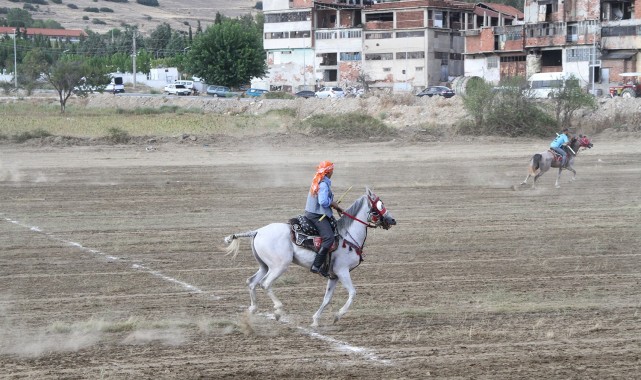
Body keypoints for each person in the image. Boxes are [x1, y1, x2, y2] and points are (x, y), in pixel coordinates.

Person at [304, 161, 343, 277]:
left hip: (313, 212)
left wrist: (335, 205)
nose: (333, 173)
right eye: (332, 171)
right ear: (329, 172)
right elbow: (323, 202)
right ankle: (317, 265)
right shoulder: (323, 185)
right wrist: (334, 204)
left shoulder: (318, 180)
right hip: (316, 215)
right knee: (329, 238)